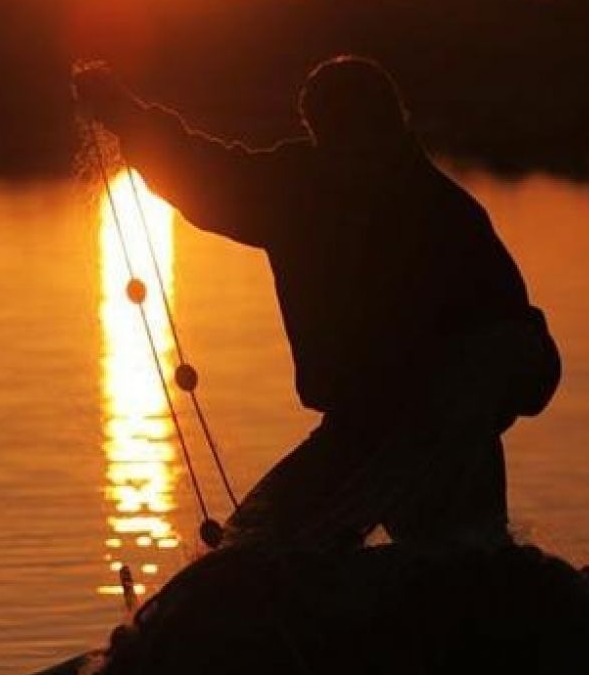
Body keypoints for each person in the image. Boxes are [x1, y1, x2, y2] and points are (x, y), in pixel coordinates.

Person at [73, 55, 560, 551]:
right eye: (319, 132)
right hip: (357, 431)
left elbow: (532, 360)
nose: (329, 147)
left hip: (449, 444)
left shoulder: (446, 217)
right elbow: (206, 174)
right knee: (250, 548)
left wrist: (478, 390)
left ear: (386, 127)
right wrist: (125, 114)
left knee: (463, 564)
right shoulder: (301, 190)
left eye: (340, 132)